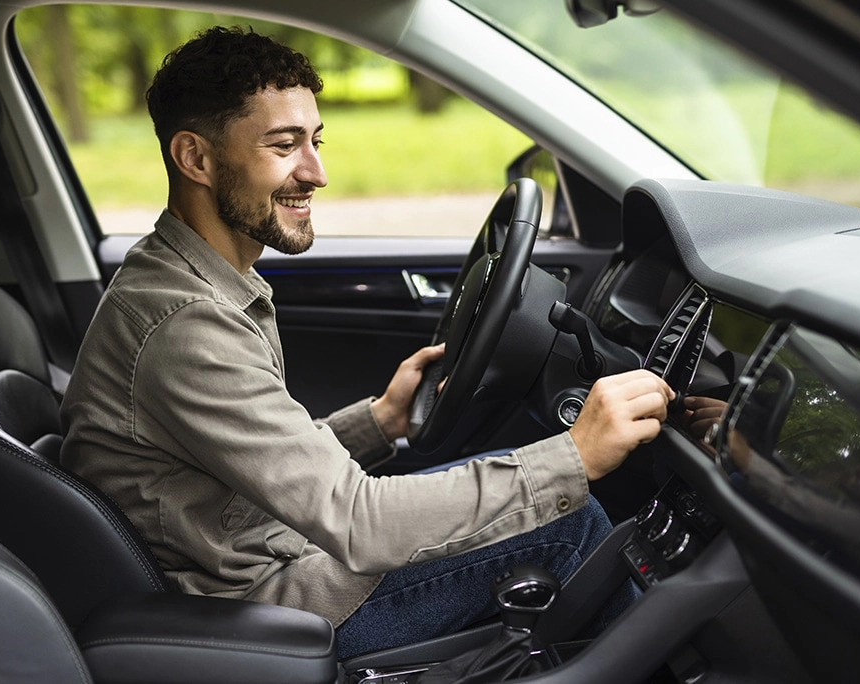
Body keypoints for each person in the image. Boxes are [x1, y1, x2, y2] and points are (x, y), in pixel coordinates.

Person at [60, 26, 674, 659]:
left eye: (315, 141)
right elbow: (358, 522)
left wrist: (379, 421)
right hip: (258, 610)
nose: (317, 173)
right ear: (196, 159)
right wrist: (575, 456)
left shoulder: (189, 280)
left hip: (278, 551)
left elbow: (255, 467)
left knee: (525, 489)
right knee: (571, 524)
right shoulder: (185, 323)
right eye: (284, 145)